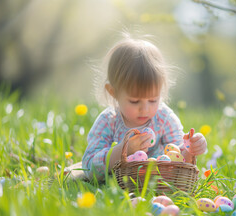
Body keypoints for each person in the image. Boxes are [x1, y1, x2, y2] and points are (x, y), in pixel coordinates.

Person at [82, 36, 207, 181]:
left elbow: (179, 160)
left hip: (159, 185)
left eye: (153, 100)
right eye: (135, 101)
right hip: (120, 187)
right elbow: (88, 168)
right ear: (113, 92)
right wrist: (124, 150)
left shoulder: (164, 119)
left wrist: (190, 150)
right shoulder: (109, 121)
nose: (145, 109)